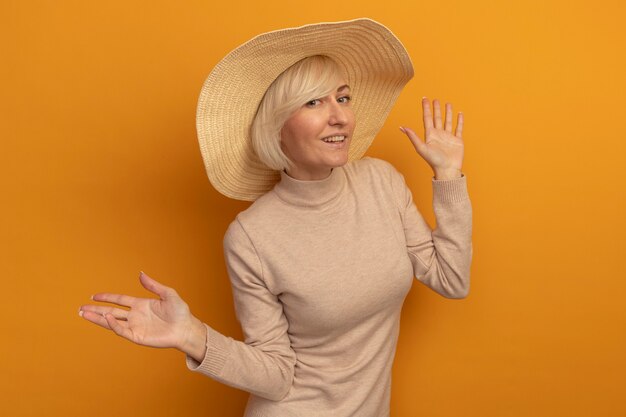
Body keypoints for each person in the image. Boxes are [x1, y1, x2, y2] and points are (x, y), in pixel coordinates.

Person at [79, 18, 472, 417]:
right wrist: (193, 337)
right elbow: (277, 375)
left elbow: (451, 279)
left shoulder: (382, 183)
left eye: (343, 97)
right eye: (314, 102)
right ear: (277, 127)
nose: (340, 117)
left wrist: (448, 176)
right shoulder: (251, 237)